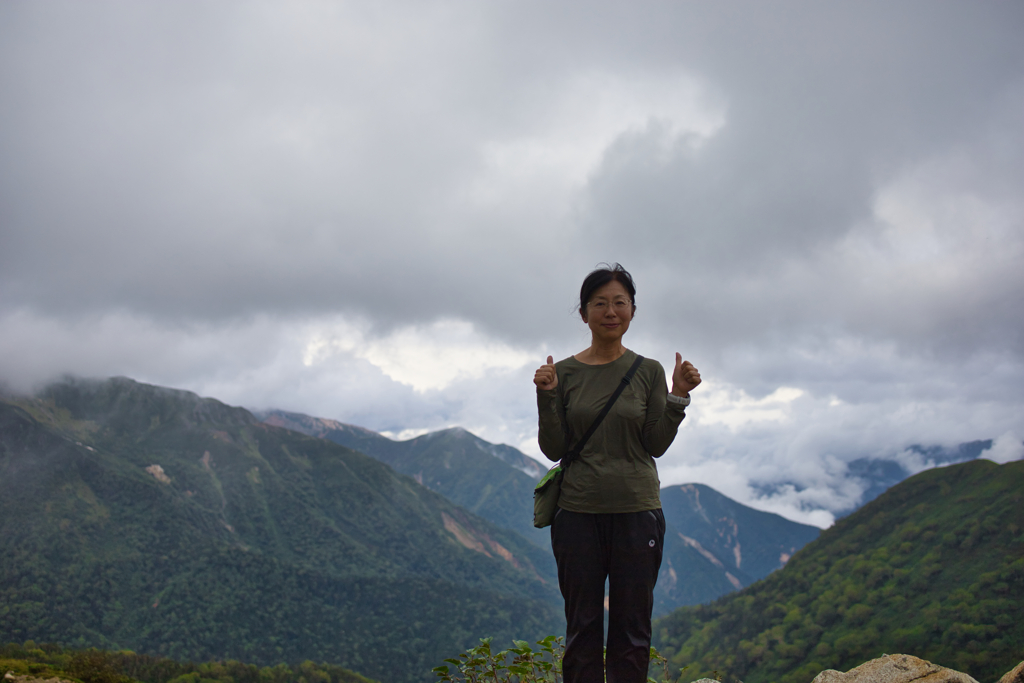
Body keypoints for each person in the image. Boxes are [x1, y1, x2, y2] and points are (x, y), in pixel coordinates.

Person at [533, 264, 701, 683]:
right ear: (584, 313)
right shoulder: (566, 373)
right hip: (577, 513)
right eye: (600, 303)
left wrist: (678, 396)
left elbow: (655, 443)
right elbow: (553, 448)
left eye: (619, 303)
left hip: (636, 510)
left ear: (632, 310)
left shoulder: (648, 371)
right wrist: (546, 396)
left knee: (632, 627)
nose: (611, 311)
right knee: (583, 626)